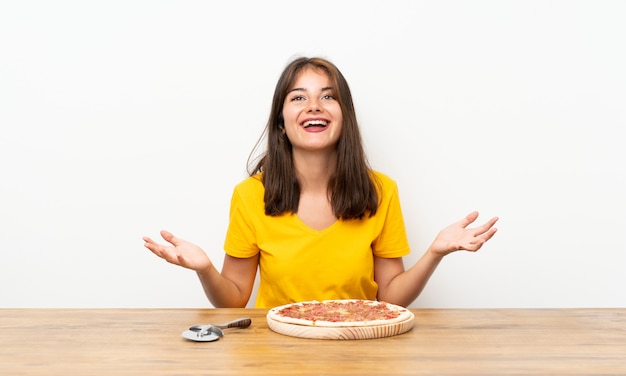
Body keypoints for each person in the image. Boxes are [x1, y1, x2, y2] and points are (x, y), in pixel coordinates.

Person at [143, 57, 498, 308]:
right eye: (299, 97)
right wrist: (205, 269)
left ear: (345, 117)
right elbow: (234, 299)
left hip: (358, 347)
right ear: (282, 122)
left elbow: (389, 297)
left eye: (328, 96)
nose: (315, 105)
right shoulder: (250, 195)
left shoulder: (381, 191)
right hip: (275, 351)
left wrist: (435, 253)